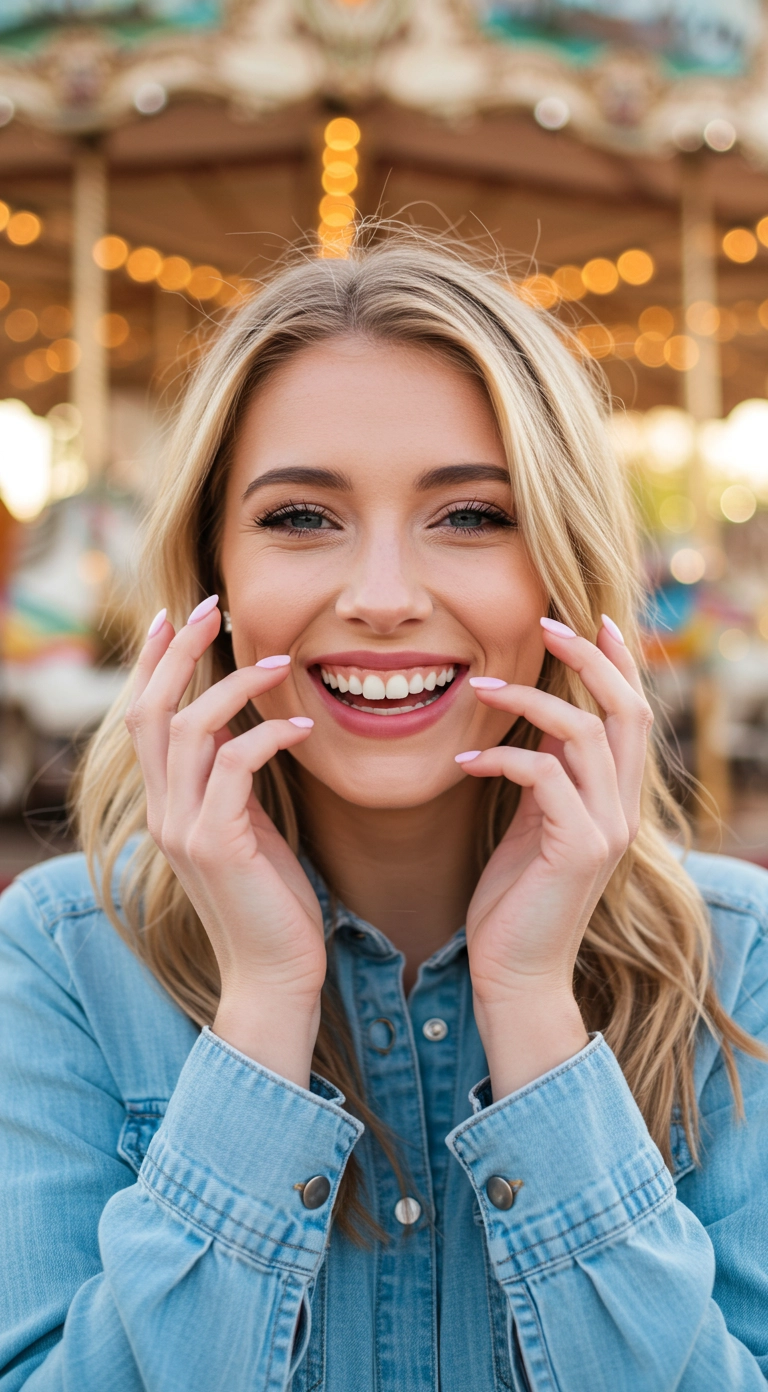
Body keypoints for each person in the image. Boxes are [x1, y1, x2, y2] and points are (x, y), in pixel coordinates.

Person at [1, 238, 767, 1392]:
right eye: (302, 518)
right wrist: (262, 1006)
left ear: (562, 565)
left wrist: (532, 1009)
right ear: (209, 573)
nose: (383, 599)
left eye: (470, 515)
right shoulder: (59, 956)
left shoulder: (740, 958)